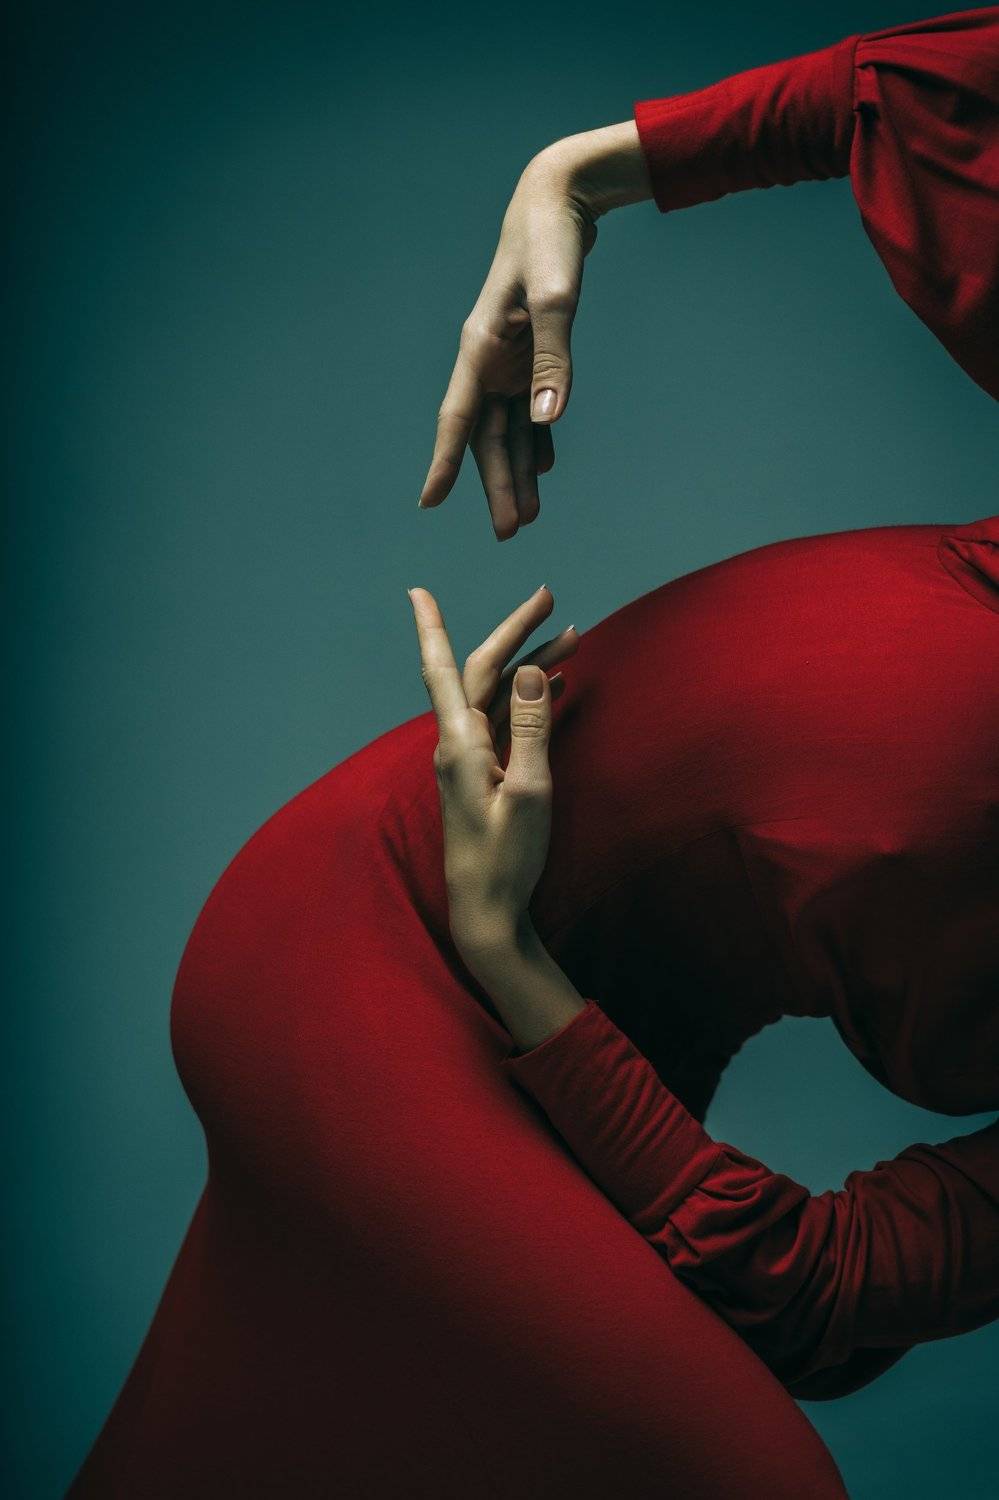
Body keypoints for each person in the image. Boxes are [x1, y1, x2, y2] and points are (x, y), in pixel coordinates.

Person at [67, 10, 997, 1499]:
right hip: (378, 919)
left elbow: (827, 1296)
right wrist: (582, 174)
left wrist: (515, 962)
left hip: (551, 1046)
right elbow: (938, 86)